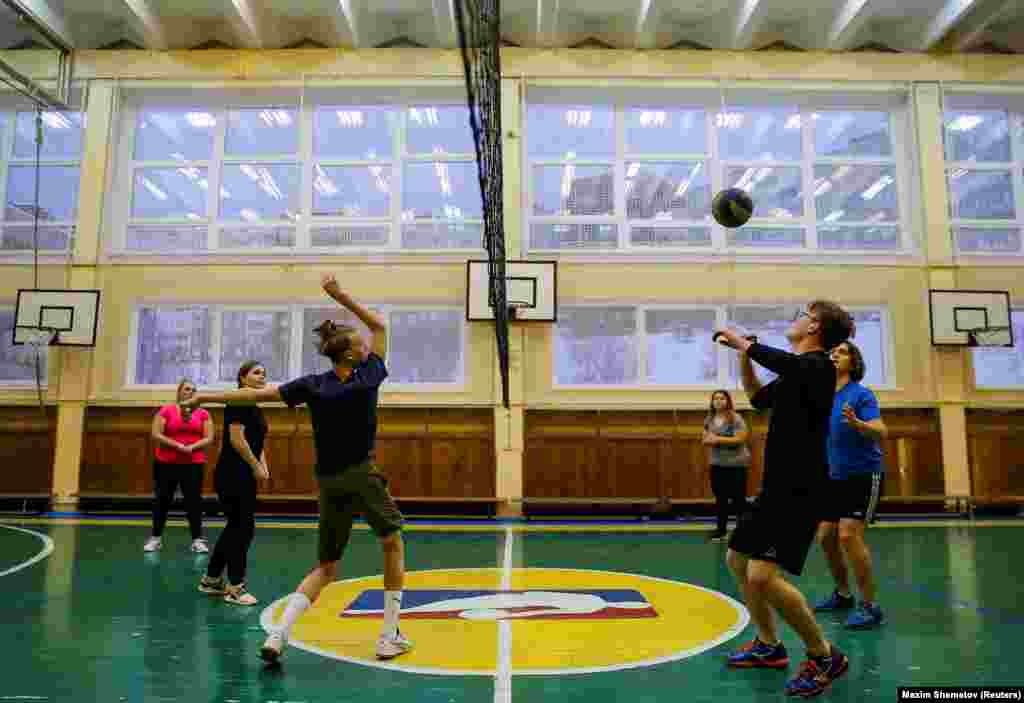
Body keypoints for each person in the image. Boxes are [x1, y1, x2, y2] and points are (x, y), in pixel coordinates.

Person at [186, 274, 410, 662]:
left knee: (326, 567)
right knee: (392, 541)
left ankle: (278, 635)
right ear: (354, 355)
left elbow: (256, 394)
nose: (366, 343)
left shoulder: (313, 384)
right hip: (361, 473)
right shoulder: (367, 377)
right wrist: (340, 295)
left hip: (327, 480)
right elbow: (380, 325)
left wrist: (205, 394)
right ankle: (389, 634)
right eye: (360, 343)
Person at [713, 301, 853, 698]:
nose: (796, 317)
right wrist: (745, 359)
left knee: (762, 576)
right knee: (737, 559)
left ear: (815, 327)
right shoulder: (796, 372)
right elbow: (758, 398)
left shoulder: (819, 367)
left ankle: (824, 655)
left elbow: (780, 361)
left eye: (804, 313)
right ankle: (769, 645)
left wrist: (745, 344)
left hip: (802, 488)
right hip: (775, 486)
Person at [813, 340, 887, 629]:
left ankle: (869, 606)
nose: (834, 356)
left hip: (862, 475)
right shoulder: (823, 396)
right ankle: (843, 594)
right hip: (833, 476)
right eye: (832, 352)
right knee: (826, 536)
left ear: (853, 362)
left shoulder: (861, 394)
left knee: (847, 535)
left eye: (841, 352)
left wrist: (859, 424)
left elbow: (881, 430)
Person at [197, 361, 270, 606]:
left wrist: (263, 466)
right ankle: (235, 588)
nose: (262, 377)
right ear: (242, 377)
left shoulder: (254, 404)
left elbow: (257, 441)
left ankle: (211, 579)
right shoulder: (238, 399)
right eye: (256, 372)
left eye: (264, 373)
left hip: (245, 474)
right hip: (232, 474)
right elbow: (237, 440)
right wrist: (255, 466)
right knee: (242, 529)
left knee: (237, 527)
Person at [145, 378, 213, 553]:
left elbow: (208, 438)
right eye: (187, 389)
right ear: (179, 392)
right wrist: (176, 445)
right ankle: (155, 538)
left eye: (193, 390)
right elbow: (156, 434)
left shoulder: (203, 413)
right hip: (166, 463)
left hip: (193, 464)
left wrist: (192, 447)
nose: (190, 392)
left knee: (193, 502)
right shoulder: (166, 410)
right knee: (162, 500)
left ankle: (197, 540)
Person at [702, 390, 751, 542]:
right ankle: (721, 531)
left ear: (727, 401)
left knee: (738, 500)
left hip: (737, 464)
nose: (718, 401)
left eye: (722, 398)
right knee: (720, 499)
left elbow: (740, 439)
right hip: (717, 464)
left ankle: (743, 532)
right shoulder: (709, 419)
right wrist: (715, 439)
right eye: (715, 398)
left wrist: (716, 439)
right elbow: (704, 439)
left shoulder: (736, 418)